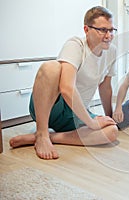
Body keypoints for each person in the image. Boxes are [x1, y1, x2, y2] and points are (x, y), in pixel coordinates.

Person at [9, 6, 118, 160]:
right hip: (52, 105)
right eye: (103, 30)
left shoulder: (111, 51)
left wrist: (110, 117)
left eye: (112, 30)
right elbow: (66, 88)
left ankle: (51, 137)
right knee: (51, 67)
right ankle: (42, 133)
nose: (109, 35)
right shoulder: (75, 45)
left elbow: (105, 87)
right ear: (86, 29)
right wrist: (92, 123)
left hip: (75, 112)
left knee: (111, 132)